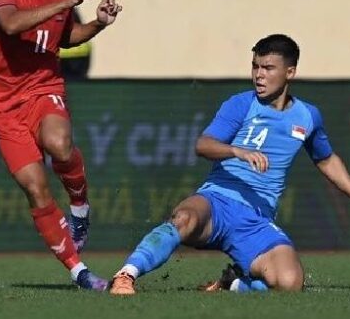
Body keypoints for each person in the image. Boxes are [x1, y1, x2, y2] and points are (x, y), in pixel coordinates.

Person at [110, 34, 350, 295]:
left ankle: (232, 283)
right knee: (184, 217)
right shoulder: (241, 104)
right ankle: (126, 276)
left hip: (257, 219)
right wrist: (237, 151)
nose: (259, 75)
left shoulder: (307, 116)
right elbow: (202, 145)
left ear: (289, 72)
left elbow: (325, 159)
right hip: (217, 202)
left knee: (289, 283)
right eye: (255, 66)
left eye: (268, 68)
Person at [0, 0, 122, 291]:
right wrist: (64, 4)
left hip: (44, 88)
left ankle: (80, 206)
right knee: (36, 188)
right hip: (4, 104)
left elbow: (66, 38)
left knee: (60, 145)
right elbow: (11, 24)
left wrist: (97, 24)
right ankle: (80, 272)